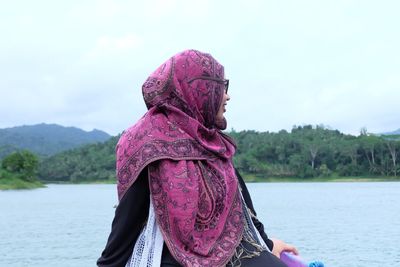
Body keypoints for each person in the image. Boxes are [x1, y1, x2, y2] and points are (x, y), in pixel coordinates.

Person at [97, 49, 298, 267]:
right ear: (197, 88)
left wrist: (268, 244)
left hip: (238, 257)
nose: (227, 96)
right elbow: (125, 228)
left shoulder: (214, 145)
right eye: (220, 87)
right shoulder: (150, 147)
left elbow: (246, 215)